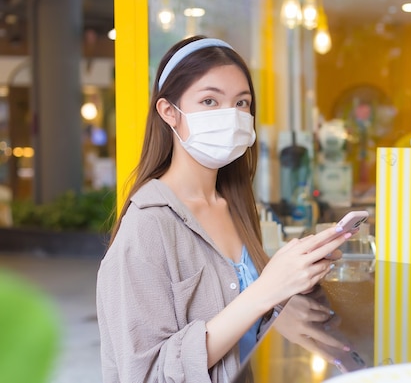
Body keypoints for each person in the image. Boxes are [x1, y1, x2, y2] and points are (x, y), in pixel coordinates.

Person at [96, 36, 353, 383]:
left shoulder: (236, 207)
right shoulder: (146, 228)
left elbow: (248, 326)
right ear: (168, 112)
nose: (230, 116)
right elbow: (146, 376)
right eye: (209, 100)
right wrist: (266, 290)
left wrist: (298, 276)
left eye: (241, 103)